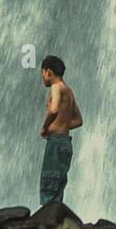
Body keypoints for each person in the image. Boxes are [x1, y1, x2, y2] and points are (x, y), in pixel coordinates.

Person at [38, 56, 82, 207]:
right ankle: (56, 222)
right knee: (58, 184)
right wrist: (62, 125)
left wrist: (46, 127)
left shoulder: (56, 87)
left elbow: (54, 110)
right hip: (66, 144)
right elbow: (78, 120)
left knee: (49, 182)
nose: (42, 77)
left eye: (42, 73)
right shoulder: (69, 91)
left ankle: (46, 222)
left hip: (56, 142)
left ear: (48, 72)